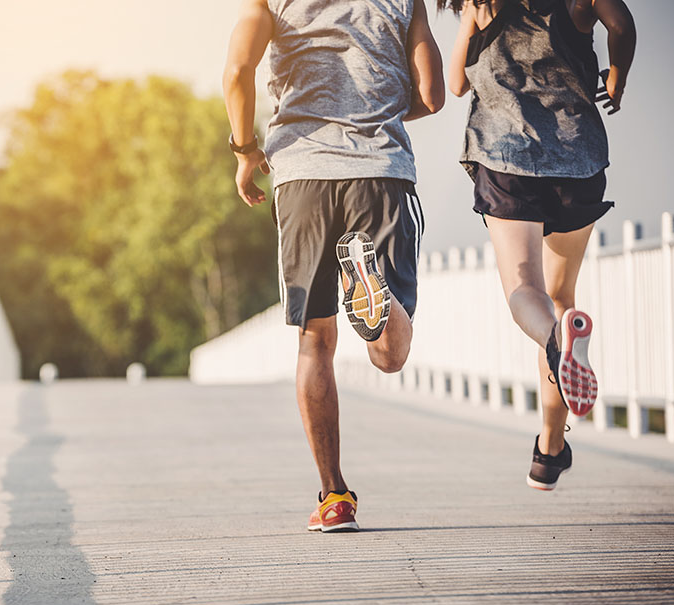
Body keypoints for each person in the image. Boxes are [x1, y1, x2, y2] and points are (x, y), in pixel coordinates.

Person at [223, 0, 444, 531]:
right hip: (381, 170)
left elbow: (236, 71)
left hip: (302, 175)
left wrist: (245, 150)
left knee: (314, 341)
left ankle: (333, 497)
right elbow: (432, 95)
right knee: (388, 356)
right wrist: (380, 109)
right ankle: (373, 288)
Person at [442, 0, 635, 489]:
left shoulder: (480, 3)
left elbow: (456, 83)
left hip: (506, 160)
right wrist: (617, 76)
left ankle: (556, 343)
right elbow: (622, 25)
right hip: (578, 160)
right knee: (561, 300)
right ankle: (550, 450)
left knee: (527, 293)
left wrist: (472, 20)